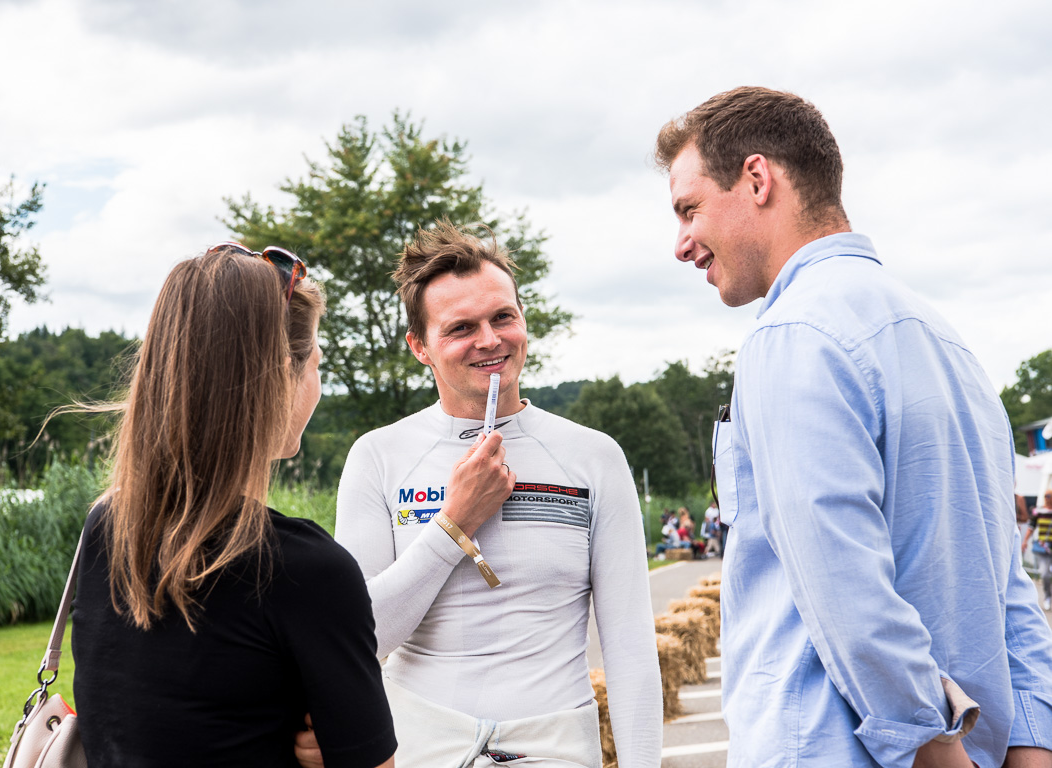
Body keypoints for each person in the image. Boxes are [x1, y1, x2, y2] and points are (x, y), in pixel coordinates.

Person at [656, 86, 1052, 768]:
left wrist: (936, 754)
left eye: (689, 209)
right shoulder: (949, 346)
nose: (682, 244)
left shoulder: (792, 335)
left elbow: (847, 592)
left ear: (757, 179)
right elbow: (1005, 584)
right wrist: (1032, 745)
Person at [333, 220, 662, 767]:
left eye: (503, 317)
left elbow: (629, 647)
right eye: (461, 327)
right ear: (420, 346)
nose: (489, 340)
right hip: (423, 748)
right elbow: (361, 639)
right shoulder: (378, 456)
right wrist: (452, 525)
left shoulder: (593, 457)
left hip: (556, 746)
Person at [70, 244, 396, 768]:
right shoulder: (304, 570)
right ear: (278, 381)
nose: (317, 384)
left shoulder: (108, 526)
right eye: (316, 364)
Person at [1022, 490, 1052, 611]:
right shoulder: (1038, 511)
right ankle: (1047, 597)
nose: (1047, 498)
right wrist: (1025, 541)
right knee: (1044, 573)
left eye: (1049, 496)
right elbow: (1031, 527)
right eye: (1046, 496)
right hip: (1043, 548)